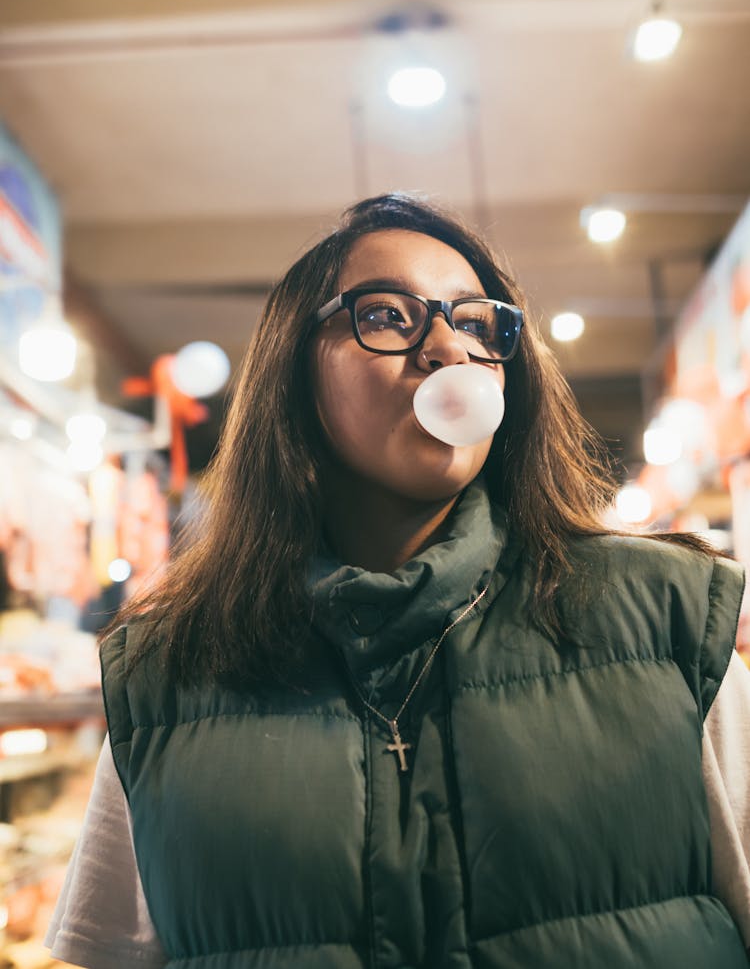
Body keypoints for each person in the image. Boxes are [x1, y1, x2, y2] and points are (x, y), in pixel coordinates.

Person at [46, 193, 750, 968]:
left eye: (478, 323)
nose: (449, 348)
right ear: (295, 372)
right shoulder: (167, 674)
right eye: (387, 315)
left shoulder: (670, 622)